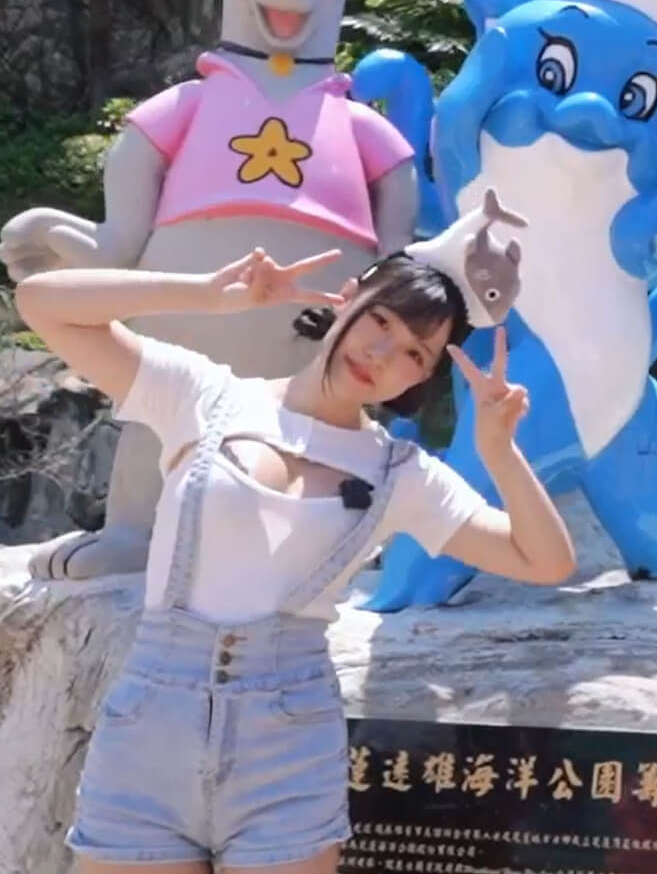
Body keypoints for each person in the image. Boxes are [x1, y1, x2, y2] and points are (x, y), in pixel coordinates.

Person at [13, 241, 575, 874]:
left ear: (421, 378)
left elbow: (545, 562)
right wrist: (207, 294)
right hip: (149, 734)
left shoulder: (403, 474)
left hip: (287, 744)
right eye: (381, 319)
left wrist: (499, 450)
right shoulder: (205, 395)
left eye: (415, 353)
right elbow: (42, 302)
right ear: (348, 297)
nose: (383, 353)